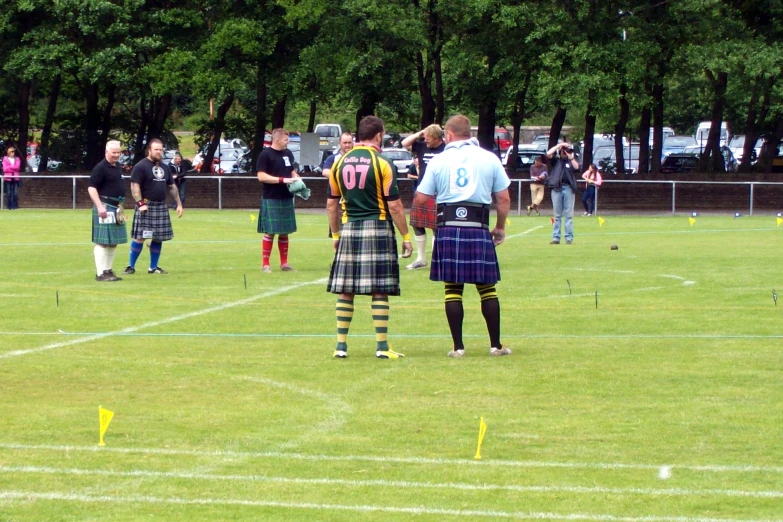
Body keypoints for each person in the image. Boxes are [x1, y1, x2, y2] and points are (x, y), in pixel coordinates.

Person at [413, 114, 512, 358]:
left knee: (453, 289)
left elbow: (421, 198)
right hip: (478, 226)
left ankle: (458, 348)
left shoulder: (439, 160)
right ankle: (496, 346)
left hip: (448, 226)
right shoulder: (489, 158)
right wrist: (499, 227)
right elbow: (503, 198)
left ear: (448, 135)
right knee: (487, 289)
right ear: (470, 133)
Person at [327, 115, 413, 360]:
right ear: (378, 135)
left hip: (349, 227)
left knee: (346, 289)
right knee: (379, 290)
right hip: (378, 226)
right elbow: (395, 206)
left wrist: (335, 234)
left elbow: (331, 204)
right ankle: (382, 347)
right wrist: (405, 236)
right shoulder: (383, 162)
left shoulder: (339, 163)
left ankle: (340, 346)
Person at [123, 138, 183, 275]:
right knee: (140, 237)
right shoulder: (141, 166)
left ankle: (153, 267)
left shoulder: (165, 167)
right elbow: (134, 186)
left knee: (158, 237)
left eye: (161, 149)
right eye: (156, 149)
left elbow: (172, 186)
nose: (159, 152)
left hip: (161, 205)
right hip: (146, 205)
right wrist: (140, 204)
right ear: (149, 150)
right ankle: (130, 266)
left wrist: (179, 204)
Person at [401, 124, 445, 270]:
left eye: (428, 139)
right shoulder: (421, 146)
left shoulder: (447, 148)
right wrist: (420, 133)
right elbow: (404, 143)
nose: (425, 141)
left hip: (440, 192)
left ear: (437, 138)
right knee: (416, 224)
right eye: (424, 139)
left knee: (437, 227)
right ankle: (421, 259)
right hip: (422, 190)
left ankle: (436, 260)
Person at [256, 128, 300, 272]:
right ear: (277, 140)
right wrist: (282, 180)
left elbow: (292, 171)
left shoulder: (288, 154)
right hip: (272, 197)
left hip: (287, 197)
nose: (288, 142)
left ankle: (284, 264)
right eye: (286, 139)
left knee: (284, 231)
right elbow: (261, 176)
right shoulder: (265, 155)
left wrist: (299, 180)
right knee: (270, 231)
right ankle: (265, 264)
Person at [87, 140, 128, 282]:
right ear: (107, 152)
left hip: (116, 207)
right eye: (114, 152)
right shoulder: (100, 167)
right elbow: (91, 188)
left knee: (113, 241)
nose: (116, 155)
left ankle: (108, 270)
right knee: (102, 241)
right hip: (105, 206)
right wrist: (99, 206)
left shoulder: (117, 166)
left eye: (118, 152)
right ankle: (100, 273)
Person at [546, 142, 579, 244]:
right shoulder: (556, 161)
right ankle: (556, 238)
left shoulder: (570, 161)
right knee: (557, 215)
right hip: (557, 189)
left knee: (569, 215)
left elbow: (577, 167)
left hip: (568, 188)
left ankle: (569, 238)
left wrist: (571, 157)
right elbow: (548, 154)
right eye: (563, 151)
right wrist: (558, 146)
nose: (565, 153)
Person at [3, 145, 21, 210]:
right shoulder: (5, 159)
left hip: (15, 177)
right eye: (11, 152)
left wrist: (9, 167)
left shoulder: (17, 159)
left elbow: (17, 167)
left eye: (13, 152)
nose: (13, 153)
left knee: (15, 193)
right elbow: (5, 169)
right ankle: (9, 206)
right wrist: (12, 167)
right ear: (9, 152)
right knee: (9, 193)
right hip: (8, 177)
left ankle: (15, 206)